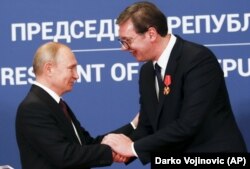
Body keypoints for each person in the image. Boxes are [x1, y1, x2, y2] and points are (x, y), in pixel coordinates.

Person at [102, 1, 247, 165]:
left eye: (127, 40)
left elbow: (188, 125)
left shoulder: (197, 60)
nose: (124, 48)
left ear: (151, 34)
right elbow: (148, 126)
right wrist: (121, 149)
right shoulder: (147, 72)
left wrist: (133, 148)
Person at [15, 42, 137, 169]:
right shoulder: (33, 108)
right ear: (49, 69)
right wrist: (111, 152)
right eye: (71, 68)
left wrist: (134, 125)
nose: (76, 75)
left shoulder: (57, 105)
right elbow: (64, 155)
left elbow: (87, 144)